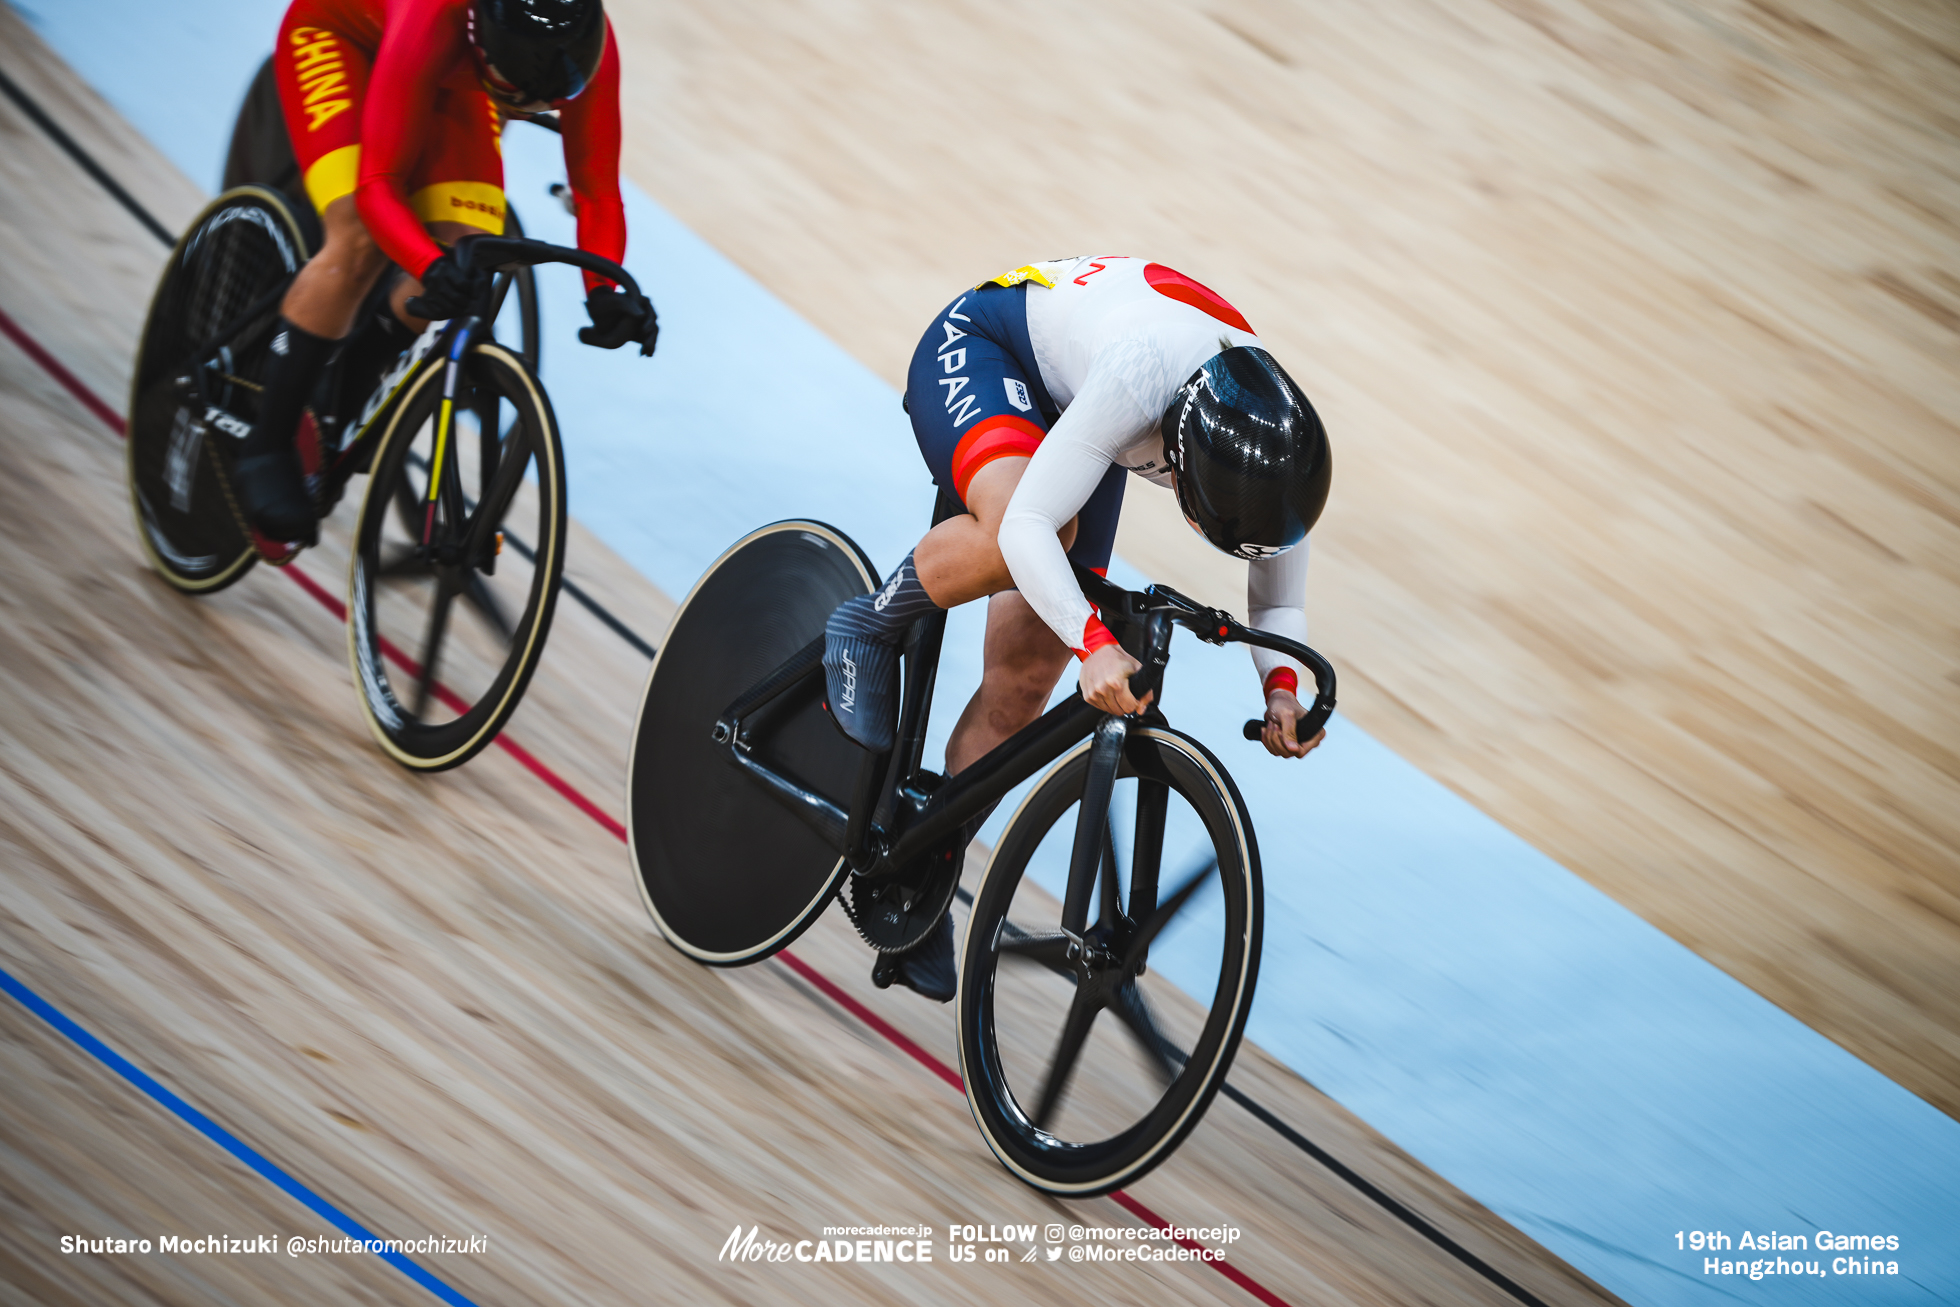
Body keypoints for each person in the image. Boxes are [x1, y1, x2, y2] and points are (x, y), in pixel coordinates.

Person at [824, 255, 1332, 1002]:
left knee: (1027, 677)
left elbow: (1278, 599)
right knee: (1033, 533)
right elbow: (1028, 526)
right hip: (994, 348)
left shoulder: (1278, 454)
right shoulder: (1142, 377)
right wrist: (1093, 641)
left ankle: (925, 858)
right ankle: (869, 624)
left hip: (1086, 406)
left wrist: (1281, 692)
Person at [234, 0, 657, 543]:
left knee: (470, 251)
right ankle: (265, 446)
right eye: (513, 98)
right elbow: (379, 188)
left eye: (540, 105)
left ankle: (341, 397)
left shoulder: (586, 42)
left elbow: (596, 192)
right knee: (360, 240)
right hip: (340, 38)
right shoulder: (433, 18)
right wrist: (426, 264)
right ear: (484, 43)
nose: (524, 113)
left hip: (456, 75)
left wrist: (605, 289)